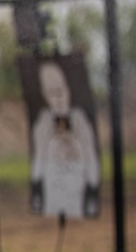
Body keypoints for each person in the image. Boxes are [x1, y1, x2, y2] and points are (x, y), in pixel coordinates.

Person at [29, 58, 100, 219]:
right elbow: (38, 167)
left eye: (61, 90)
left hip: (76, 189)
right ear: (45, 95)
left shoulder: (80, 120)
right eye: (52, 93)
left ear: (69, 88)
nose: (59, 98)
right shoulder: (43, 123)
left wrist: (92, 193)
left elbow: (91, 162)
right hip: (53, 188)